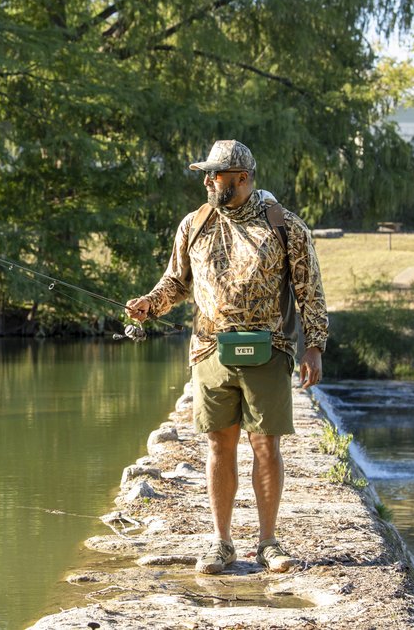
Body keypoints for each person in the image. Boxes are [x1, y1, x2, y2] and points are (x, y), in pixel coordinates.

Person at [125, 140, 328, 575]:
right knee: (219, 445)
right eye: (207, 173)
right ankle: (222, 543)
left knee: (265, 446)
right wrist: (150, 304)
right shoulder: (194, 224)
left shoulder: (285, 226)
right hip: (209, 349)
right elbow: (176, 283)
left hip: (269, 349)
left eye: (215, 174)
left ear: (242, 178)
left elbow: (310, 291)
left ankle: (269, 543)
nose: (207, 180)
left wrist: (314, 345)